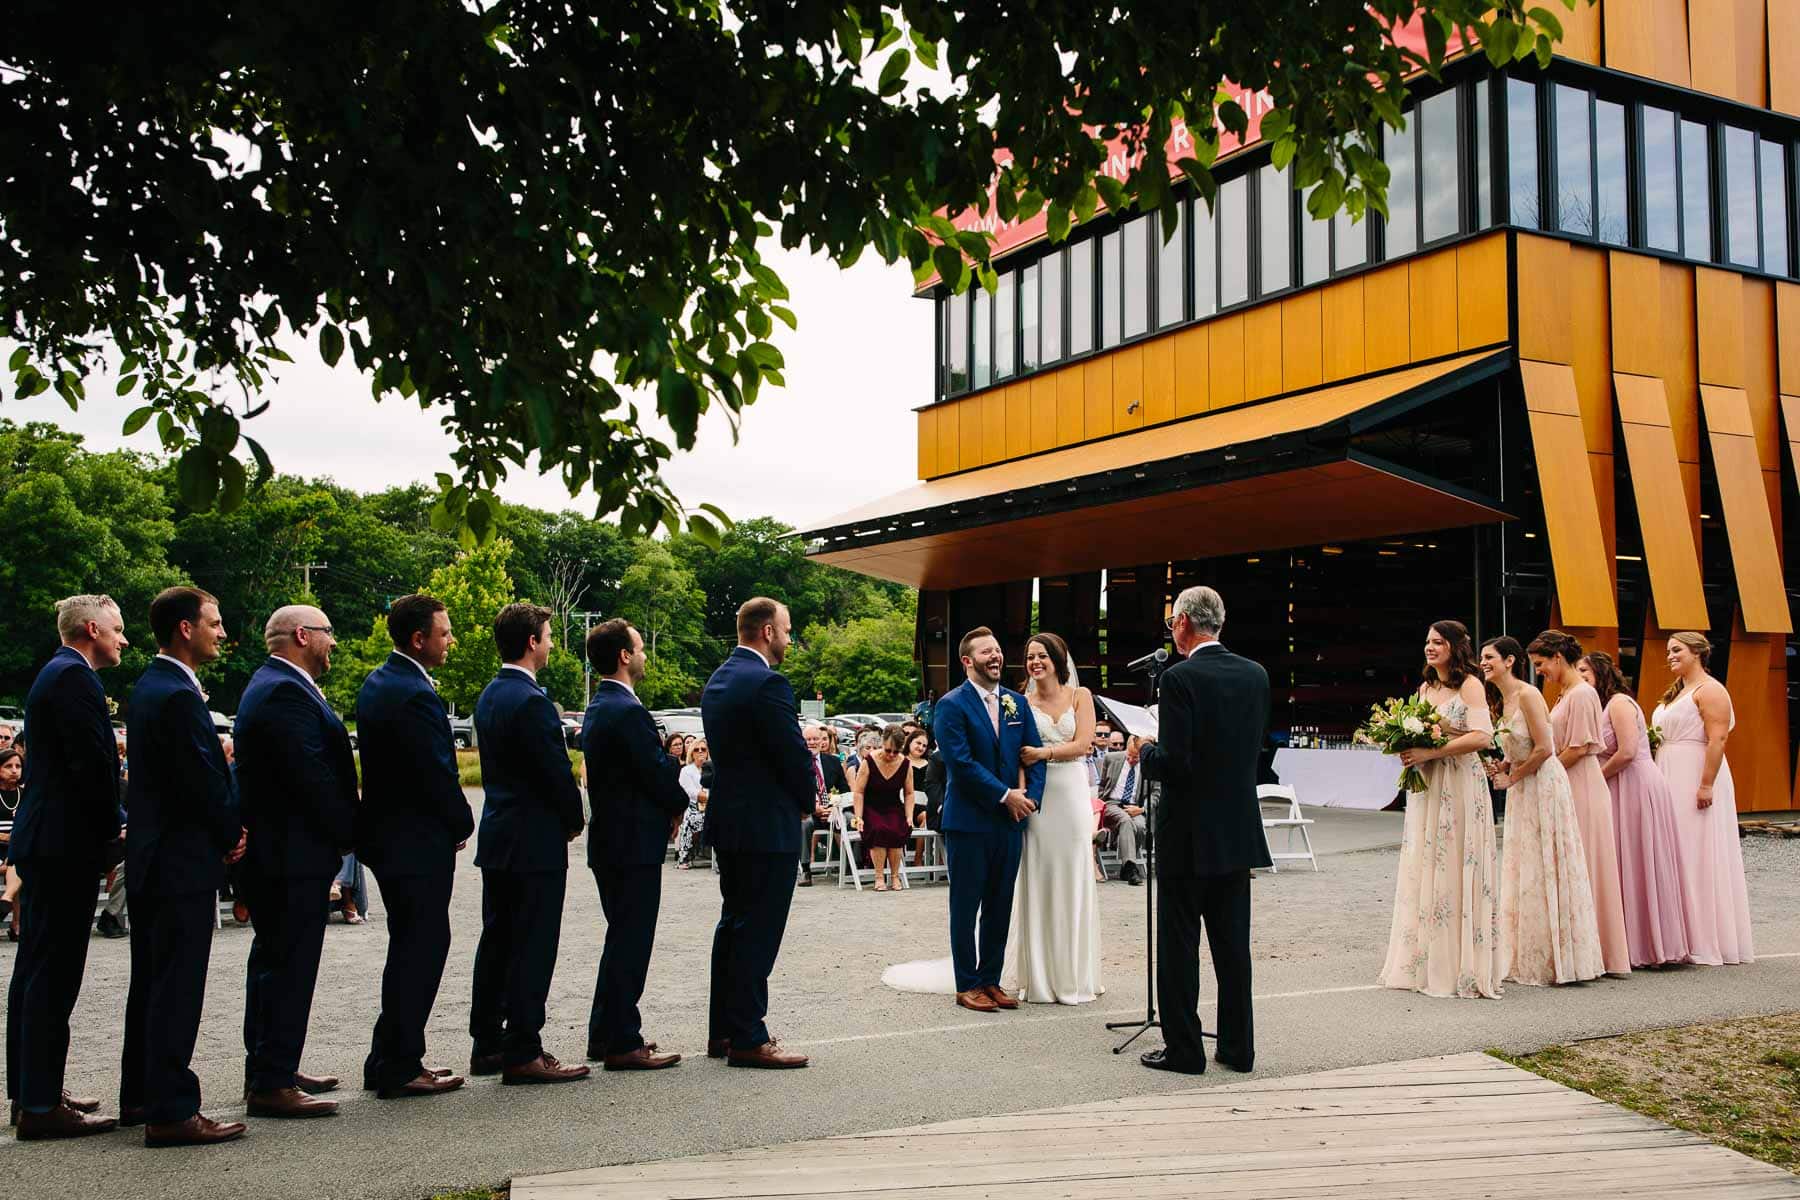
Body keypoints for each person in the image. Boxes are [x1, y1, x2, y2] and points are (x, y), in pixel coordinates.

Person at [119, 586, 248, 1146]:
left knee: (151, 981)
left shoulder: (152, 687)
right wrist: (230, 832)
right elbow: (195, 777)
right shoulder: (174, 694)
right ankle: (171, 1110)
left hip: (156, 856)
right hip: (179, 860)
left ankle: (141, 1095)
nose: (222, 632)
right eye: (214, 623)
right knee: (176, 985)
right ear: (184, 629)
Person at [232, 605, 358, 1118]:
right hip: (289, 853)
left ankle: (272, 1064)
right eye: (329, 633)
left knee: (272, 962)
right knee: (288, 964)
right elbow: (310, 777)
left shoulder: (276, 683)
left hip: (284, 851)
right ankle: (271, 1080)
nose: (334, 643)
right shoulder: (284, 690)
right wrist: (349, 832)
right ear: (303, 635)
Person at [7, 595, 125, 1139]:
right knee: (52, 975)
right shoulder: (75, 679)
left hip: (46, 840)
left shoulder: (55, 674)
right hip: (64, 843)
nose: (123, 640)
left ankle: (32, 1091)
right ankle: (39, 1105)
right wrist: (113, 830)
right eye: (118, 630)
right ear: (92, 628)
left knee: (34, 969)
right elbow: (92, 768)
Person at [1138, 587, 1270, 1073]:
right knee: (1234, 948)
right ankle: (1238, 1049)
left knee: (1179, 946)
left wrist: (1144, 751)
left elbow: (1176, 763)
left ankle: (1185, 1049)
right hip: (1236, 828)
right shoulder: (1256, 675)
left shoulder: (1180, 678)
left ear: (1183, 625)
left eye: (1173, 621)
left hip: (1188, 832)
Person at [354, 593, 471, 1100]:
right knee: (422, 946)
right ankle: (401, 1062)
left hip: (389, 836)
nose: (450, 641)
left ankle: (386, 1056)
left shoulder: (381, 682)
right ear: (418, 638)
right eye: (444, 633)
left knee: (409, 943)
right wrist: (461, 819)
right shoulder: (414, 693)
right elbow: (434, 771)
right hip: (415, 838)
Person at [469, 603, 589, 1085]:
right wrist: (573, 818)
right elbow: (554, 771)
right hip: (534, 839)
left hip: (499, 833)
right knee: (533, 944)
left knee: (496, 940)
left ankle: (487, 1041)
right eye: (548, 635)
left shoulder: (490, 695)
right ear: (532, 642)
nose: (553, 644)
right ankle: (523, 1047)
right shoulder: (532, 701)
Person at [700, 597, 817, 1068]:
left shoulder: (719, 680)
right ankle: (749, 1035)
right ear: (767, 631)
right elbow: (792, 755)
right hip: (767, 825)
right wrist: (812, 803)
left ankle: (723, 1031)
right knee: (759, 932)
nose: (790, 639)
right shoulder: (768, 682)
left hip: (731, 822)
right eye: (787, 630)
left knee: (733, 926)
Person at [580, 618, 688, 1071]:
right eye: (640, 648)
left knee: (620, 936)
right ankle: (623, 1039)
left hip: (611, 840)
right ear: (624, 656)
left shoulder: (599, 706)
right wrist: (677, 782)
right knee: (632, 939)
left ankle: (606, 1031)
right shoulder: (626, 711)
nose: (644, 655)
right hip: (631, 841)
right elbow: (654, 773)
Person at [1377, 619, 1502, 1001]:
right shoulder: (1425, 687)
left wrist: (1434, 751)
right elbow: (1421, 731)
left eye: (1438, 642)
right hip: (1428, 786)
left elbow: (1483, 736)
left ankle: (1458, 966)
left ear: (1454, 647)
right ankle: (1424, 961)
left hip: (1460, 783)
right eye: (1427, 641)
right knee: (1427, 862)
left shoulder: (1470, 685)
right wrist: (1407, 747)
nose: (1430, 648)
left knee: (1454, 862)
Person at [933, 626, 1046, 1014]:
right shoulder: (951, 705)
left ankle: (991, 979)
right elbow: (960, 764)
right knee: (965, 907)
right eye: (986, 652)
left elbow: (1032, 754)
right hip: (968, 821)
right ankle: (967, 984)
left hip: (1011, 821)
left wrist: (1029, 799)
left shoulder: (1017, 702)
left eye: (997, 650)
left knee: (1000, 904)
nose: (995, 657)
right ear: (968, 661)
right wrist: (1004, 795)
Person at [1481, 637, 1602, 986]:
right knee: (1524, 867)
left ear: (1509, 661)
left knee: (1546, 863)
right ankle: (1523, 954)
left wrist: (1513, 776)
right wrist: (1502, 765)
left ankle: (1560, 959)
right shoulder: (1501, 699)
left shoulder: (1528, 695)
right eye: (1482, 658)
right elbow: (1518, 747)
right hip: (1522, 787)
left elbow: (1545, 748)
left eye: (1490, 657)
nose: (1484, 663)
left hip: (1543, 784)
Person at [1005, 632, 1102, 1004]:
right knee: (1039, 875)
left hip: (1072, 792)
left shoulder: (1081, 696)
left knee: (1074, 873)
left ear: (1058, 659)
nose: (1035, 662)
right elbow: (1014, 753)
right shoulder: (1020, 702)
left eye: (1042, 656)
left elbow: (1083, 744)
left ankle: (1076, 972)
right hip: (1040, 798)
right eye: (1030, 657)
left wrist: (1043, 753)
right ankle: (1040, 974)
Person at [1580, 652, 1690, 968]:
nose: (1582, 676)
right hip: (1615, 785)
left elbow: (1627, 751)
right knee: (1618, 860)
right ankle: (1623, 941)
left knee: (1638, 858)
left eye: (1585, 670)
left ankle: (1651, 943)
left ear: (1601, 672)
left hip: (1635, 784)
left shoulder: (1618, 703)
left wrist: (1594, 778)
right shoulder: (1599, 706)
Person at [1530, 630, 1630, 977]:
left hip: (1581, 785)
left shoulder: (1584, 694)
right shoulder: (1565, 694)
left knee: (1585, 863)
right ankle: (1573, 948)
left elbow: (1577, 747)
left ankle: (1596, 952)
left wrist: (1542, 769)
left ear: (1558, 657)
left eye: (1541, 664)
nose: (1539, 671)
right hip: (1566, 780)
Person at [1652, 632, 1754, 966]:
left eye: (1677, 650)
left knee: (1697, 851)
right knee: (1675, 850)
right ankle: (1679, 934)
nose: (1670, 656)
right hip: (1668, 772)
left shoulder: (1710, 690)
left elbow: (1718, 738)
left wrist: (1706, 784)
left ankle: (1705, 936)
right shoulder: (1678, 692)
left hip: (1695, 774)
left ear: (1698, 652)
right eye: (1668, 651)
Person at [851, 726, 916, 892]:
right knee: (879, 829)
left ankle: (894, 876)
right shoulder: (869, 761)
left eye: (896, 751)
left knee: (897, 829)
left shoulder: (905, 764)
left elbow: (909, 793)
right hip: (871, 807)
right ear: (882, 744)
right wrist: (859, 816)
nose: (891, 755)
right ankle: (879, 876)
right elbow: (858, 792)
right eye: (888, 750)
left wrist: (909, 816)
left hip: (893, 806)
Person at [1098, 736, 1157, 885]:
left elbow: (1156, 793)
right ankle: (1130, 867)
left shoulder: (1150, 765)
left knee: (1140, 826)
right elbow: (1103, 785)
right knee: (1125, 820)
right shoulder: (1111, 758)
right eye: (1129, 756)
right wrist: (1100, 803)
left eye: (1136, 758)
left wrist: (1142, 809)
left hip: (1134, 806)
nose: (1131, 760)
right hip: (1112, 803)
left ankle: (1126, 868)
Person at [798, 724, 848, 886]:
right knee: (805, 824)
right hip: (808, 812)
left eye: (815, 739)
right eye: (808, 739)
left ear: (822, 742)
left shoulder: (833, 762)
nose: (812, 742)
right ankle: (806, 870)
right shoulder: (796, 763)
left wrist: (834, 807)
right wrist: (813, 808)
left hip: (834, 810)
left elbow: (845, 790)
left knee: (850, 818)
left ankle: (851, 865)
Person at [675, 741, 710, 868]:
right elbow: (691, 792)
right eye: (697, 750)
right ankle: (685, 856)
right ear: (692, 753)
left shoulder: (713, 768)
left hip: (712, 808)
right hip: (694, 808)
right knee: (692, 819)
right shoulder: (686, 771)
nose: (700, 752)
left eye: (703, 749)